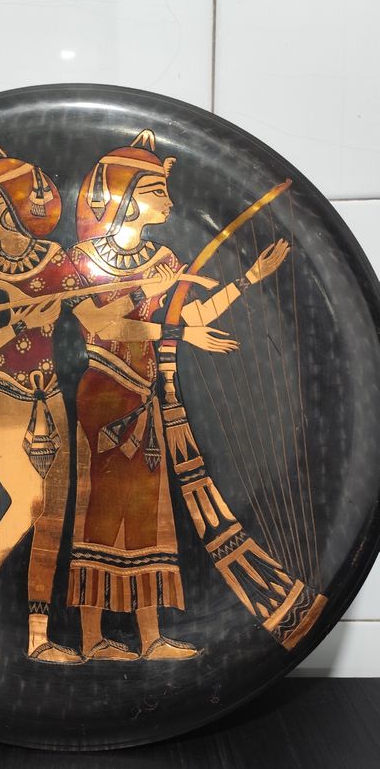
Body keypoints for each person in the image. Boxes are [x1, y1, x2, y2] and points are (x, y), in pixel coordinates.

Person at [0, 143, 174, 663]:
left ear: (13, 208)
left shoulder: (61, 264)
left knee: (51, 520)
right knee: (28, 506)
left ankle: (38, 639)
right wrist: (21, 321)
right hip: (6, 404)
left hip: (52, 400)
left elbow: (101, 319)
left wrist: (144, 295)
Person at [67, 129, 289, 661]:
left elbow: (190, 316)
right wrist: (162, 310)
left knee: (149, 515)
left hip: (145, 398)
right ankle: (92, 638)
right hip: (105, 393)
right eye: (158, 191)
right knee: (101, 512)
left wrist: (247, 280)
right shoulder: (81, 259)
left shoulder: (161, 257)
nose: (169, 201)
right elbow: (101, 325)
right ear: (126, 196)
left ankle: (149, 638)